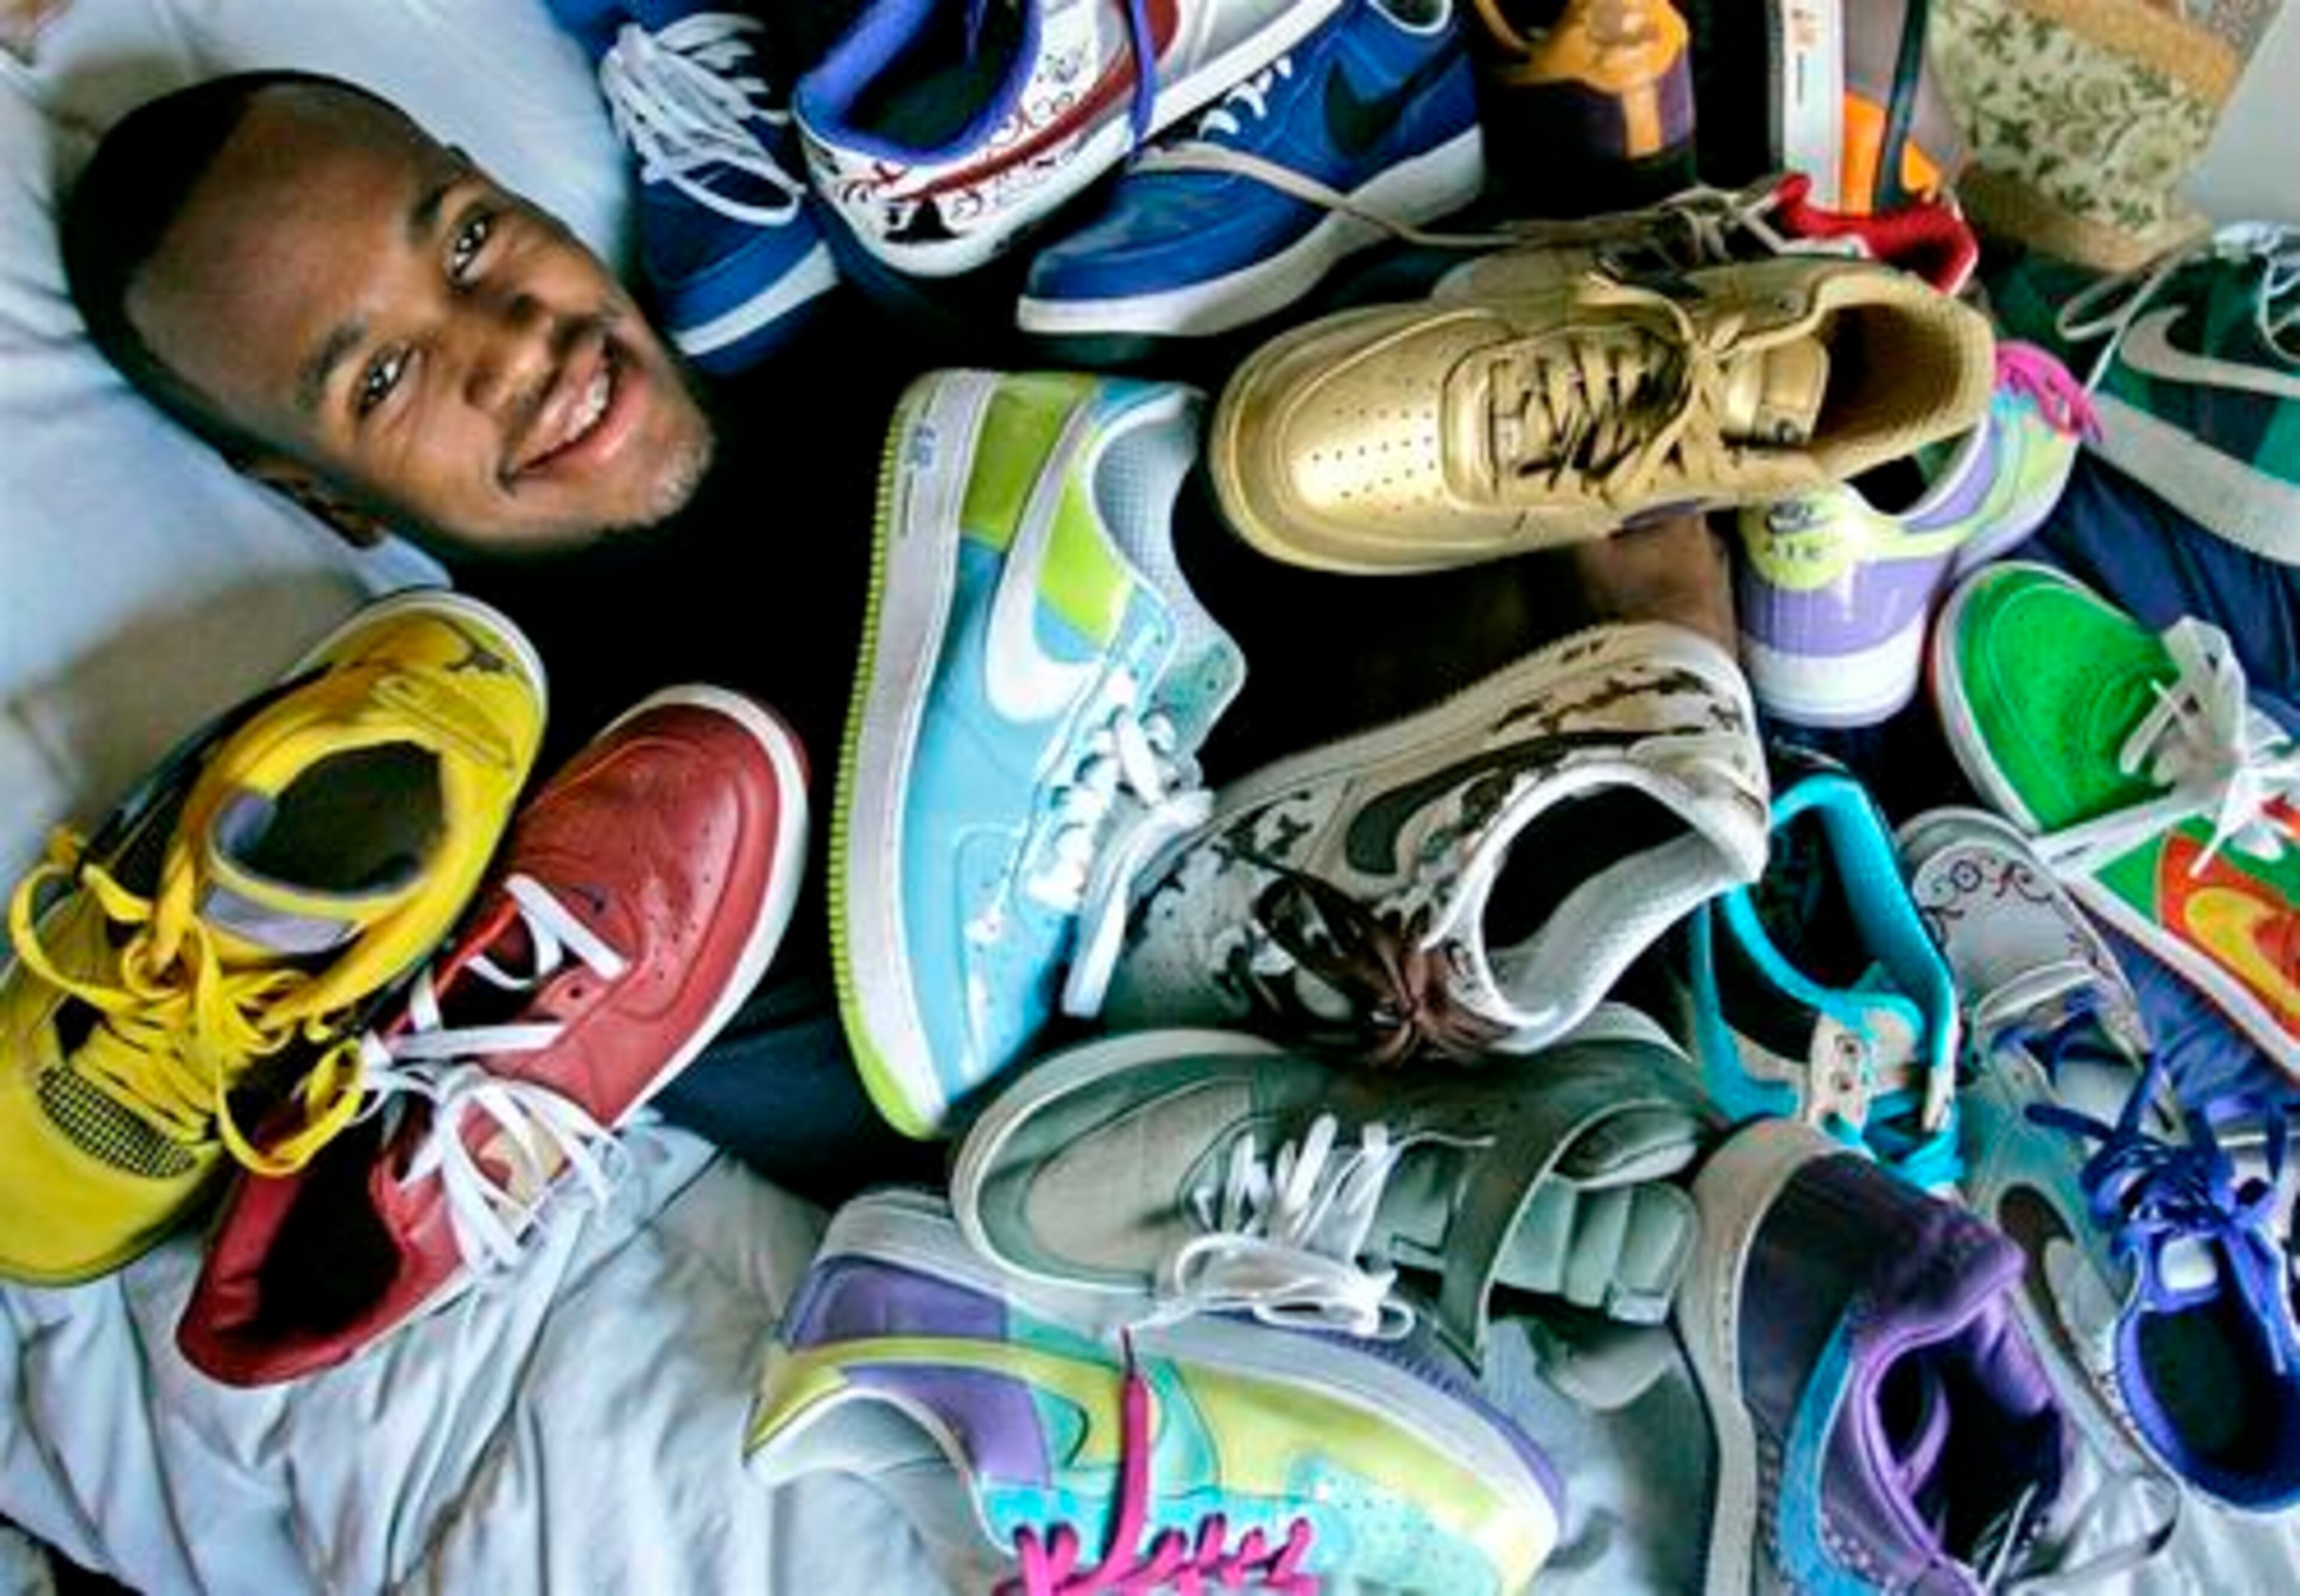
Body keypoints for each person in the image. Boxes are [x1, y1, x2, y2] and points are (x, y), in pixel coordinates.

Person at [57, 68, 1738, 1197]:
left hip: (1588, 843)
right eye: (385, 376)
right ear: (331, 498)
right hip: (1275, 1075)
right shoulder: (622, 844)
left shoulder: (902, 358)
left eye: (472, 236)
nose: (505, 337)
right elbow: (962, 1140)